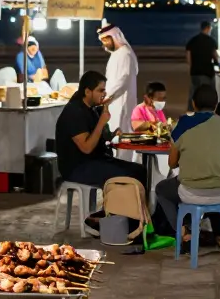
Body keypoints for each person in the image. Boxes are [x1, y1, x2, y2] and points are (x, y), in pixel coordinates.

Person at [55, 70, 149, 231]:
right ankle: (121, 223)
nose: (104, 94)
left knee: (140, 171)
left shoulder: (91, 109)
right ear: (87, 91)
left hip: (95, 160)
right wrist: (102, 122)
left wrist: (111, 133)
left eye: (104, 90)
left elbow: (98, 139)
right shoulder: (74, 112)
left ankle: (132, 220)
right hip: (77, 167)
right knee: (128, 177)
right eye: (100, 90)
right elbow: (86, 147)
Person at [153, 85, 220, 242]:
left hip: (191, 193)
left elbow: (172, 163)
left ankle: (182, 231)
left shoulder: (182, 125)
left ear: (194, 103)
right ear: (216, 105)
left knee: (161, 188)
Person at [99, 21, 138, 156]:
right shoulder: (115, 54)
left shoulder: (125, 54)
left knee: (123, 135)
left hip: (122, 102)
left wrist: (108, 96)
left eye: (105, 39)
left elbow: (123, 80)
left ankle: (124, 167)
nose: (104, 43)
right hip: (113, 102)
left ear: (114, 37)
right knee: (115, 137)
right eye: (102, 40)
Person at [185, 21, 220, 110]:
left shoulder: (193, 40)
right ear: (208, 28)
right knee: (205, 93)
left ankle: (191, 109)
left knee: (194, 92)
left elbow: (188, 57)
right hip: (206, 71)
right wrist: (218, 62)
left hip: (195, 72)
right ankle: (205, 111)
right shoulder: (210, 41)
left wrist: (191, 68)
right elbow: (215, 55)